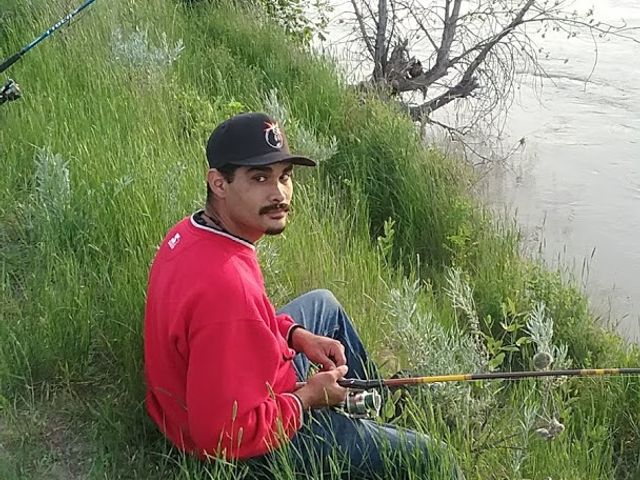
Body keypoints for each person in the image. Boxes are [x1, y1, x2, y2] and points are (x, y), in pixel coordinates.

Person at [144, 112, 462, 478]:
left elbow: (244, 323)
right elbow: (221, 437)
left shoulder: (193, 232)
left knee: (323, 304)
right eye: (259, 178)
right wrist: (307, 398)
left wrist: (295, 335)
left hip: (212, 394)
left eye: (284, 176)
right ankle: (360, 431)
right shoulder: (228, 289)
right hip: (253, 447)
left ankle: (368, 407)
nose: (278, 193)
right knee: (436, 458)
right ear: (219, 183)